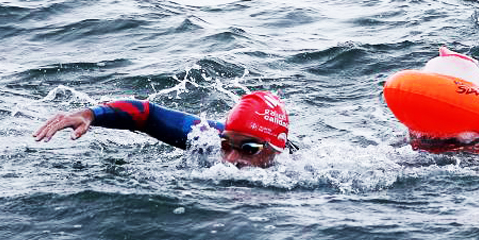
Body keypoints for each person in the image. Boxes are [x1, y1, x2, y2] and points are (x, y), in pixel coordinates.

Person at [33, 90, 292, 168]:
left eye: (248, 149)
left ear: (275, 149)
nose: (232, 158)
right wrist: (91, 114)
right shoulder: (208, 140)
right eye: (226, 144)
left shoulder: (303, 176)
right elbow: (146, 114)